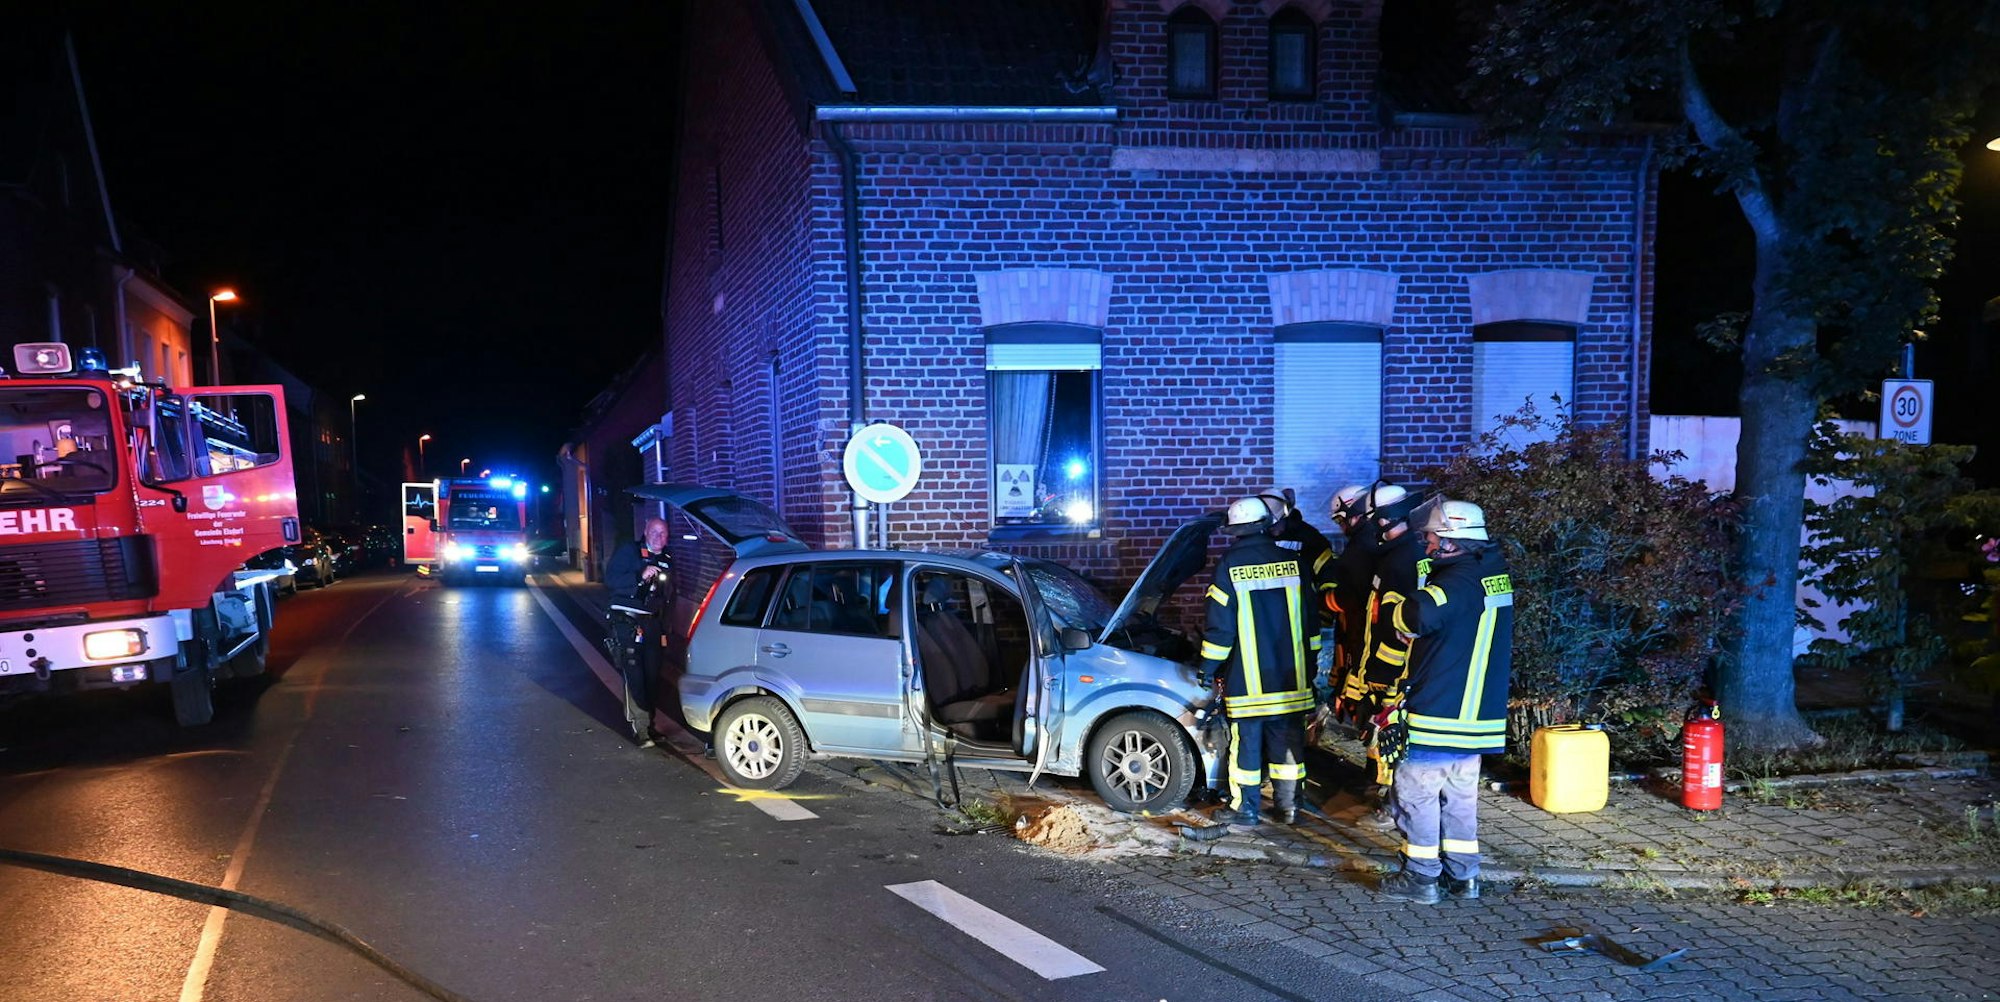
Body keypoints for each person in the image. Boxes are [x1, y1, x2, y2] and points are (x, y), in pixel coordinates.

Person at [1376, 499, 1514, 905]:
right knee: (1460, 797)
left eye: (1433, 537)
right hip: (1477, 716)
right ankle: (1464, 874)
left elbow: (1413, 616)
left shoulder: (1454, 583)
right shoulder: (1493, 573)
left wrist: (1396, 607)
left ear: (1453, 540)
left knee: (1415, 795)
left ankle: (1421, 876)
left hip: (1441, 710)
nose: (1428, 544)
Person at [1201, 495, 1321, 826]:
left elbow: (1220, 629)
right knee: (1289, 746)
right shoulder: (1295, 562)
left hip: (1249, 683)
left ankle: (1245, 810)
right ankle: (1289, 807)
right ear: (1267, 523)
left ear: (1234, 530)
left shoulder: (1228, 566)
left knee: (1247, 749)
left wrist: (1207, 668)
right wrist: (1310, 665)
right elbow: (1313, 621)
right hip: (1291, 679)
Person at [606, 516, 673, 748]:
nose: (658, 537)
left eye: (663, 533)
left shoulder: (667, 559)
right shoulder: (629, 552)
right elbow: (611, 579)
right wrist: (639, 575)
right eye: (654, 532)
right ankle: (641, 728)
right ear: (645, 531)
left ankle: (650, 724)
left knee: (652, 678)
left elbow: (668, 599)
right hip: (628, 623)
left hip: (653, 625)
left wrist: (665, 630)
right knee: (635, 676)